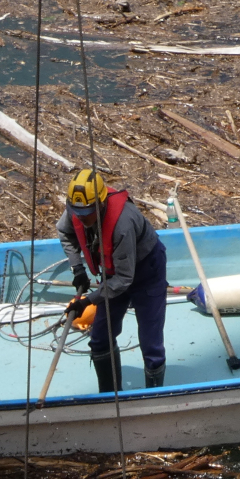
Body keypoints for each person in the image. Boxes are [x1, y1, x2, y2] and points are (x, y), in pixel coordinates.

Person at [58, 167, 169, 391]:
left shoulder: (122, 224)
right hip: (113, 272)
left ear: (101, 204)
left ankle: (153, 397)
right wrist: (77, 269)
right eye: (78, 212)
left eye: (88, 212)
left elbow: (124, 279)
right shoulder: (77, 210)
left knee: (151, 343)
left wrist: (88, 301)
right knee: (100, 338)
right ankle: (108, 395)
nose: (82, 217)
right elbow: (65, 232)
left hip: (146, 271)